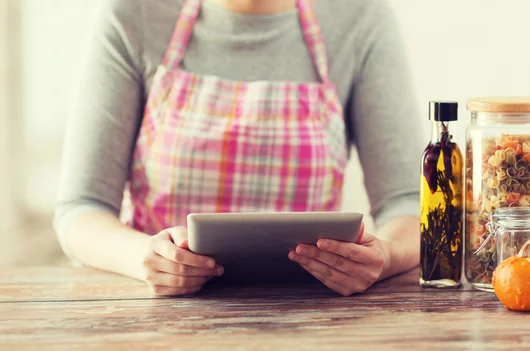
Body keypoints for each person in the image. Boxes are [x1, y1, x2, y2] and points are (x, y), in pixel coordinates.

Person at [55, 0, 424, 297]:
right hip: (162, 318)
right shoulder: (133, 15)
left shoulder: (361, 19)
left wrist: (386, 255)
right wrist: (143, 258)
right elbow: (82, 209)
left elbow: (408, 203)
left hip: (314, 316)